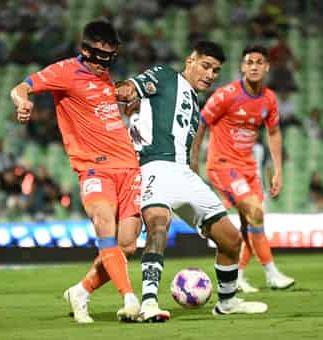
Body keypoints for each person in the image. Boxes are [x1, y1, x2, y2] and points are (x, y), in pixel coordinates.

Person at [117, 40, 267, 322]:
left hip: (185, 174)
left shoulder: (195, 105)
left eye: (216, 71)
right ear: (190, 61)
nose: (210, 75)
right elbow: (127, 90)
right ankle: (149, 303)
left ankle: (228, 302)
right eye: (206, 66)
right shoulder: (164, 76)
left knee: (231, 239)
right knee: (158, 226)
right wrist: (111, 93)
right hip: (156, 167)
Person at [10, 19, 142, 323]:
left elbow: (103, 111)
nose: (103, 64)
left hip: (129, 167)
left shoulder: (106, 78)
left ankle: (81, 290)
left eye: (110, 57)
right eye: (98, 57)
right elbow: (20, 87)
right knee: (103, 222)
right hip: (94, 168)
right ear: (85, 50)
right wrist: (23, 102)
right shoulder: (64, 72)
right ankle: (130, 298)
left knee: (127, 245)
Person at [191, 45, 295, 293]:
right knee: (255, 211)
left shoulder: (268, 99)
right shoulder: (226, 95)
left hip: (248, 167)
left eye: (259, 62)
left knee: (251, 223)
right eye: (249, 62)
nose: (254, 66)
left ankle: (236, 276)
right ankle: (271, 273)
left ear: (266, 67)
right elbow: (201, 123)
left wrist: (277, 170)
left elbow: (274, 132)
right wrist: (194, 162)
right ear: (242, 67)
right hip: (223, 165)